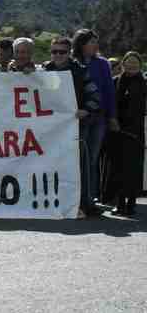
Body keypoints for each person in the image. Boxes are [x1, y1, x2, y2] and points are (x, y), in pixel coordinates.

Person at [43, 36, 101, 216]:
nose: (58, 55)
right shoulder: (43, 71)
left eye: (62, 52)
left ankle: (85, 203)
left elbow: (95, 97)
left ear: (69, 53)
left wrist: (86, 110)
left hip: (75, 127)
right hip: (49, 130)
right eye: (54, 51)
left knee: (79, 166)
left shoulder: (81, 71)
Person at [72, 28, 118, 207]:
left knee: (92, 158)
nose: (95, 45)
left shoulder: (103, 64)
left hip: (98, 118)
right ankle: (78, 196)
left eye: (96, 42)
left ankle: (90, 197)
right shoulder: (72, 62)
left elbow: (108, 91)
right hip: (78, 118)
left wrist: (112, 116)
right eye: (92, 42)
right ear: (81, 44)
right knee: (79, 158)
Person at [109, 52, 145, 216]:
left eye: (135, 63)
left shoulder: (144, 83)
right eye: (129, 62)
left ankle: (131, 202)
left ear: (140, 66)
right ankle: (119, 202)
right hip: (118, 129)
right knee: (118, 167)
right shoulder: (115, 81)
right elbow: (110, 104)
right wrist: (112, 120)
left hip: (136, 131)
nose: (131, 65)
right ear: (123, 64)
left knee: (133, 168)